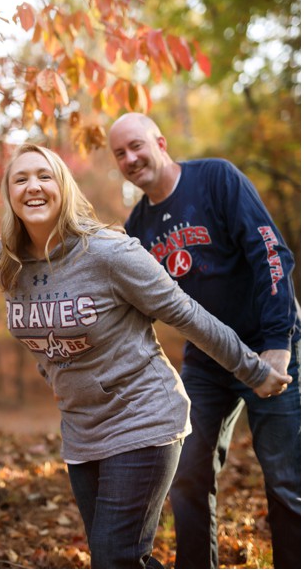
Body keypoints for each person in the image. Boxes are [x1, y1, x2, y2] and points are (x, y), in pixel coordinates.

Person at [0, 143, 290, 569]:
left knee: (115, 558)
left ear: (65, 188)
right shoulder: (6, 261)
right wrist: (60, 379)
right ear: (9, 193)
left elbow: (187, 314)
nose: (33, 186)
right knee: (121, 557)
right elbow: (40, 339)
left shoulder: (110, 252)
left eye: (45, 175)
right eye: (20, 178)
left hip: (142, 418)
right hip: (81, 430)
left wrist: (253, 369)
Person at [108, 112, 301, 569]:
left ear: (161, 141)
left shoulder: (215, 179)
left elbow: (269, 251)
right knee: (187, 474)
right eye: (120, 154)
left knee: (286, 478)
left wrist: (280, 339)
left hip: (268, 346)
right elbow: (135, 312)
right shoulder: (137, 227)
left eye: (136, 146)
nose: (131, 158)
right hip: (208, 363)